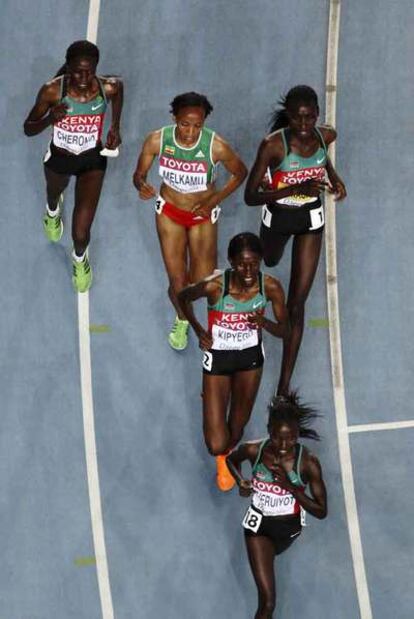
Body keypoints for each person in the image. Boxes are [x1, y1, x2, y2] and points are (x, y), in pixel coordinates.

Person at [244, 85, 346, 395]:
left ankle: (284, 385)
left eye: (310, 118)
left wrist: (334, 177)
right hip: (278, 216)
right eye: (298, 119)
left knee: (296, 303)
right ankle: (274, 252)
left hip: (309, 220)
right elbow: (251, 196)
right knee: (271, 260)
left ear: (317, 115)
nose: (304, 125)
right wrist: (292, 190)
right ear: (288, 116)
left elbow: (321, 160)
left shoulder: (325, 136)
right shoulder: (273, 147)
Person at [133, 92, 247, 350]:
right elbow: (138, 175)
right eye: (185, 124)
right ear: (174, 118)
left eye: (197, 126)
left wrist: (214, 200)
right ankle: (183, 319)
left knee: (202, 281)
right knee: (177, 282)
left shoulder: (215, 146)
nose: (190, 132)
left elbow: (240, 172)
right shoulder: (157, 140)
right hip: (169, 213)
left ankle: (208, 313)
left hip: (201, 216)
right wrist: (141, 186)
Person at [178, 232, 289, 491]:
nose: (248, 270)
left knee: (236, 432)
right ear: (231, 261)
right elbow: (182, 297)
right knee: (216, 443)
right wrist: (197, 330)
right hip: (218, 360)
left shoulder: (270, 287)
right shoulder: (215, 286)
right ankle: (213, 406)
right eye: (241, 263)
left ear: (260, 261)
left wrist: (266, 323)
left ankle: (225, 458)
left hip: (250, 361)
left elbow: (286, 331)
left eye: (254, 263)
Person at [24, 40, 123, 293]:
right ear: (67, 68)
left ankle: (80, 260)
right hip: (59, 158)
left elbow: (119, 91)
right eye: (77, 71)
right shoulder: (51, 92)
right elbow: (28, 128)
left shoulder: (108, 88)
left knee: (80, 233)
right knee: (54, 192)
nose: (83, 77)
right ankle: (53, 210)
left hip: (92, 161)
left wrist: (115, 127)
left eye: (89, 71)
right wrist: (49, 119)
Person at [227, 392, 327, 619]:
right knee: (268, 601)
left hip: (288, 529)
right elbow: (231, 459)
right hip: (258, 527)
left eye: (290, 438)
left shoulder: (308, 464)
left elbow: (321, 511)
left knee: (272, 562)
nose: (283, 445)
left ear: (297, 434)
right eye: (277, 438)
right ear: (269, 430)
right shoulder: (254, 451)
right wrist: (240, 481)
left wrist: (291, 487)